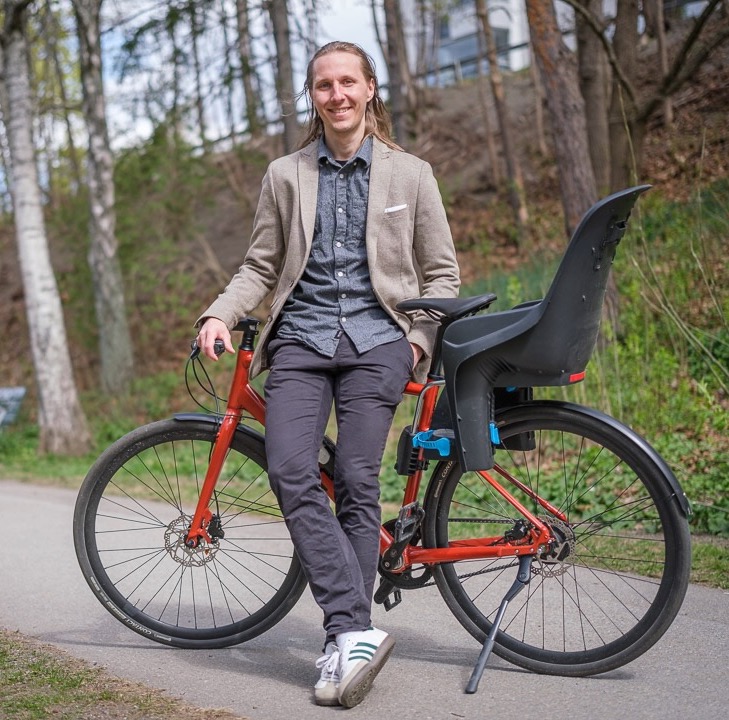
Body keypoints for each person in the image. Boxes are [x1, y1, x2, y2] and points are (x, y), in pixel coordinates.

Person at [196, 41, 460, 708]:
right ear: (312, 97)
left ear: (370, 89)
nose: (337, 94)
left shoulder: (411, 174)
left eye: (348, 82)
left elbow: (441, 275)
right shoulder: (285, 175)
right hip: (301, 342)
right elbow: (259, 266)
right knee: (290, 469)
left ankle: (344, 634)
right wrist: (220, 313)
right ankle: (355, 631)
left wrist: (418, 343)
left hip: (380, 341)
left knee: (356, 480)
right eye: (323, 85)